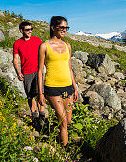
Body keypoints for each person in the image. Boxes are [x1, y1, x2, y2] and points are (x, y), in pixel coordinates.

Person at [37, 16, 79, 146]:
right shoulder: (44, 46)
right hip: (52, 87)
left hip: (68, 87)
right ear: (53, 28)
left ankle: (57, 135)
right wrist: (40, 93)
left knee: (69, 119)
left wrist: (75, 87)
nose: (64, 30)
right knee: (63, 121)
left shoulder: (67, 46)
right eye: (62, 27)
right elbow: (40, 71)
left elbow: (70, 68)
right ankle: (64, 151)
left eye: (66, 27)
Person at [12, 20, 45, 128]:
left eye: (31, 29)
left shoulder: (38, 40)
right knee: (30, 96)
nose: (30, 31)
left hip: (38, 71)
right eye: (27, 30)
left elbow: (44, 54)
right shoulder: (17, 43)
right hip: (26, 73)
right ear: (21, 31)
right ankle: (34, 117)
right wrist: (18, 72)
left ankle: (42, 117)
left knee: (40, 93)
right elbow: (15, 60)